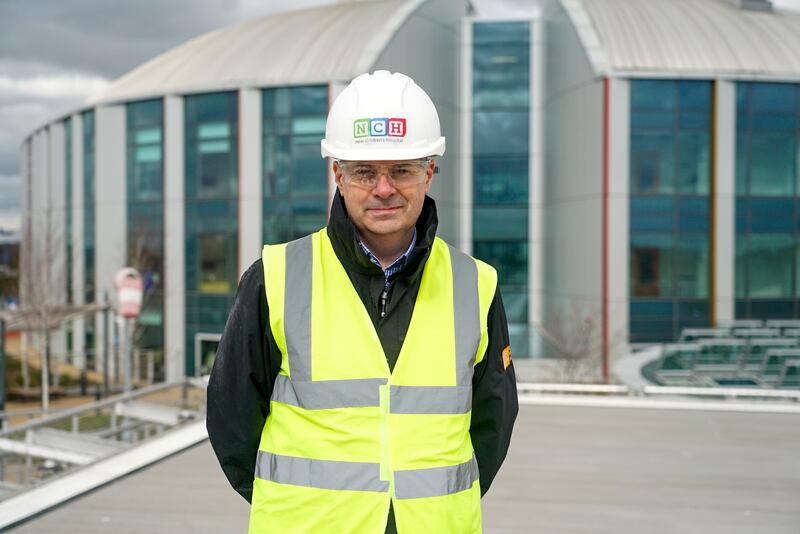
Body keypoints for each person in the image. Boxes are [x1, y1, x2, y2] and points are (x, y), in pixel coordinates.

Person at [207, 70, 518, 534]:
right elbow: (232, 417)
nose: (384, 188)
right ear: (338, 173)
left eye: (402, 170)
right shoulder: (275, 278)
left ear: (429, 171)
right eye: (365, 171)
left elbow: (493, 422)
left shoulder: (475, 284)